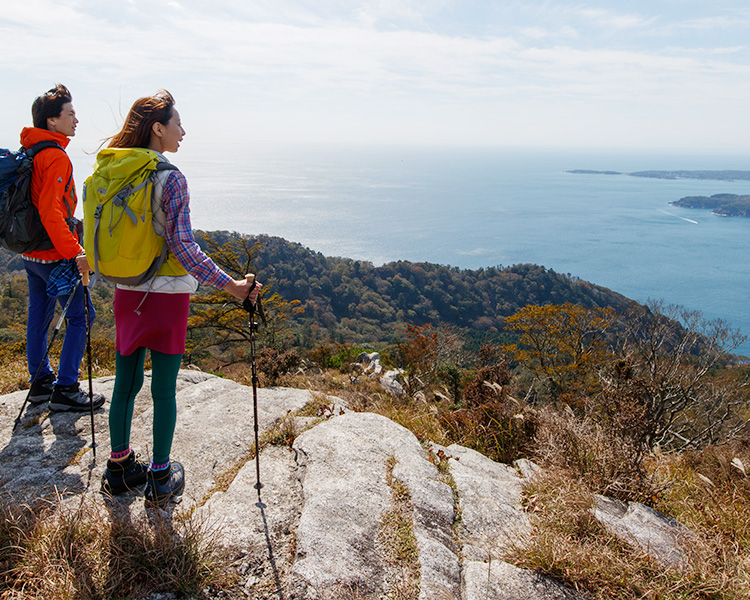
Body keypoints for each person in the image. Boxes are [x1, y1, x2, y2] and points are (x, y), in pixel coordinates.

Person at [98, 90, 260, 507]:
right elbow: (184, 248)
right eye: (177, 124)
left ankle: (119, 469)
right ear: (158, 128)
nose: (183, 132)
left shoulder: (109, 172)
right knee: (164, 389)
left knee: (125, 385)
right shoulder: (171, 178)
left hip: (125, 288)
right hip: (167, 293)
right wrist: (232, 287)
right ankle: (160, 474)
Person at [21, 83, 106, 412]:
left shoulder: (33, 152)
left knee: (38, 317)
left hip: (31, 254)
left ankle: (41, 383)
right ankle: (67, 388)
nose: (76, 120)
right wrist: (76, 252)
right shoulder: (55, 156)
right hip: (55, 255)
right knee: (82, 316)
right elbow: (51, 212)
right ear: (52, 121)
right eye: (70, 113)